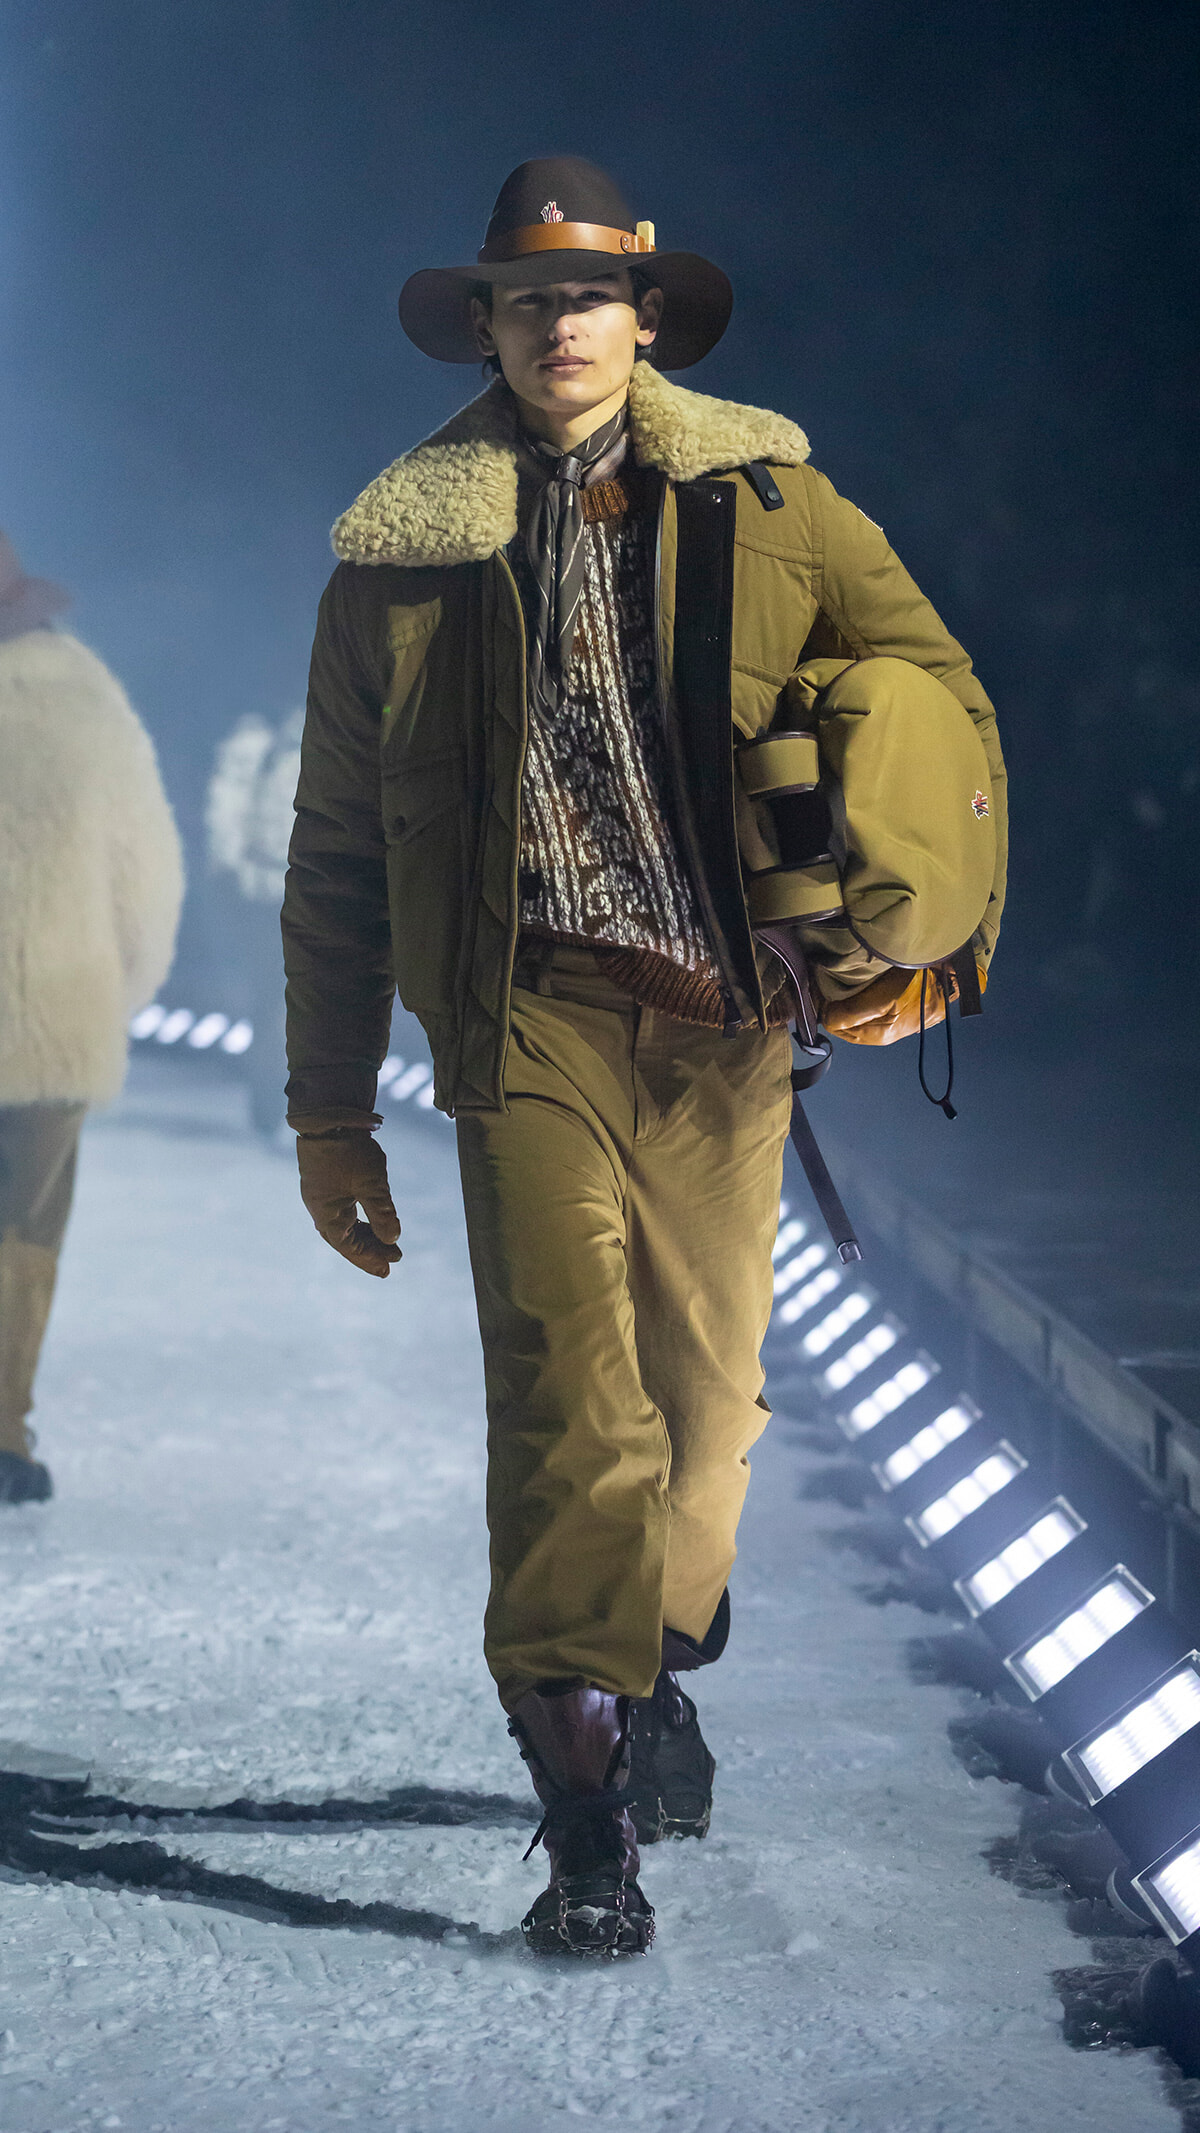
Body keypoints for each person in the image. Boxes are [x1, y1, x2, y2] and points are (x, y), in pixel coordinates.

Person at [282, 156, 1007, 1956]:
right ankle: (587, 1817)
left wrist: (914, 922)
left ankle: (650, 1655)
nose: (561, 327)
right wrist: (328, 1111)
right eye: (527, 301)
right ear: (486, 327)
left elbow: (942, 706)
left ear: (648, 319)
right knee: (568, 1405)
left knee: (705, 1421)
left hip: (721, 1030)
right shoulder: (396, 565)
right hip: (522, 1014)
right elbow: (339, 855)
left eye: (590, 297)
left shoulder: (776, 505)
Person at [0, 533, 184, 1503]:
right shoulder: (84, 697)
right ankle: (3, 1431)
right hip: (55, 1010)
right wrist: (122, 991)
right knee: (24, 1229)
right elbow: (143, 874)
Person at [206, 709, 304, 1139]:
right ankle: (271, 1105)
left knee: (277, 1003)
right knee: (277, 1003)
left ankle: (272, 1104)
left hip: (284, 893)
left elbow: (225, 814)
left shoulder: (275, 743)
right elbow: (227, 812)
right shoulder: (264, 743)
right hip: (272, 894)